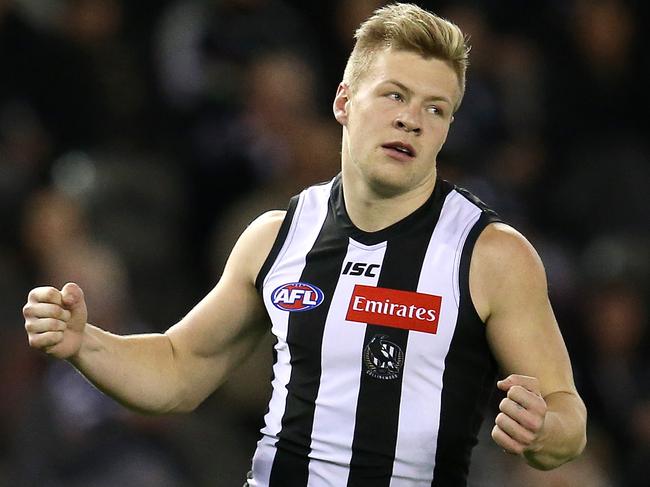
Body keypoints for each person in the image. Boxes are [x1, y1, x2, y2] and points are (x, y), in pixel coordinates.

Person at [23, 3, 587, 486]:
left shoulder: (490, 254)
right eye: (395, 95)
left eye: (435, 109)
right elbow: (178, 369)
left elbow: (568, 417)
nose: (412, 120)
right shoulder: (278, 235)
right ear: (344, 102)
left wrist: (542, 430)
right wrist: (83, 343)